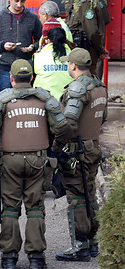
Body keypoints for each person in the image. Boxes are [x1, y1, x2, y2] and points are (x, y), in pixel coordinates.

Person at [0, 59, 71, 269]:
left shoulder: (2, 100)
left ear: (11, 79)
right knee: (35, 209)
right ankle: (36, 258)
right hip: (38, 159)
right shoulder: (45, 99)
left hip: (10, 159)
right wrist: (55, 147)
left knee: (10, 209)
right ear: (31, 78)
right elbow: (63, 128)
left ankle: (9, 258)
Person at [55, 48, 107, 262]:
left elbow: (68, 123)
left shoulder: (77, 88)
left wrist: (57, 146)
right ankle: (93, 243)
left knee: (76, 197)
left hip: (77, 151)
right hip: (93, 148)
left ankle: (80, 246)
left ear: (73, 66)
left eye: (69, 63)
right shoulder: (99, 86)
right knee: (90, 194)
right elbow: (102, 117)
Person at [0, 0, 42, 91]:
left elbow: (41, 39)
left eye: (22, 1)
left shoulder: (33, 18)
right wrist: (2, 45)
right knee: (4, 100)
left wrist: (33, 47)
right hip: (5, 68)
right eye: (16, 1)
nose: (19, 4)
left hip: (26, 68)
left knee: (25, 101)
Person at [62, 0, 109, 77]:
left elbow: (92, 30)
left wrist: (100, 49)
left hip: (86, 47)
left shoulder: (85, 0)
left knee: (87, 80)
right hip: (81, 46)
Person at [33, 26, 73, 100]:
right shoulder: (73, 56)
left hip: (43, 98)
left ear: (48, 41)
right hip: (67, 98)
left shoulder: (38, 56)